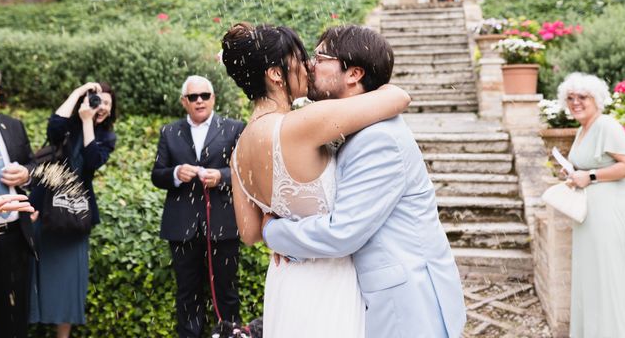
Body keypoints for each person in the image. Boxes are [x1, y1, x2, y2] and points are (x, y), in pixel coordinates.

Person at [262, 25, 466, 338]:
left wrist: (274, 231)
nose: (309, 65)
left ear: (354, 74)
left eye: (320, 57)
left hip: (406, 304)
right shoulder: (359, 128)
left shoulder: (378, 139)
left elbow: (343, 232)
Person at [222, 23, 413, 338]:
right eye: (298, 58)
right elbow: (397, 97)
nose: (308, 65)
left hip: (285, 282)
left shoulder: (238, 149)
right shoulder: (301, 124)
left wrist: (275, 218)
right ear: (275, 74)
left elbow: (250, 233)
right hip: (329, 279)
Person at [151, 76, 245, 338]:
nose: (199, 100)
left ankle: (231, 334)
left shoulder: (235, 128)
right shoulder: (169, 132)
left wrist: (222, 177)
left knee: (226, 291)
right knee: (187, 293)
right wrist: (175, 173)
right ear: (184, 102)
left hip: (223, 224)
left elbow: (246, 171)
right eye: (193, 97)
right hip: (182, 227)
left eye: (204, 95)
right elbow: (157, 175)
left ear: (213, 98)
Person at [29, 82, 117, 338]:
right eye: (97, 100)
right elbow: (53, 126)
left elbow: (91, 161)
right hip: (44, 209)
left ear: (111, 112)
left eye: (107, 104)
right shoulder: (67, 126)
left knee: (68, 282)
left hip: (76, 216)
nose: (100, 107)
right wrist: (80, 92)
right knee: (34, 278)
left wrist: (89, 122)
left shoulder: (106, 137)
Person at [557, 73, 625, 337]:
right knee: (591, 279)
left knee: (608, 278)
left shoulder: (606, 125)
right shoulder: (582, 129)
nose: (576, 102)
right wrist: (573, 175)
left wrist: (591, 176)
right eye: (570, 98)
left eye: (582, 97)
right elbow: (587, 167)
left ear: (596, 99)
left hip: (608, 215)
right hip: (588, 216)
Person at [0, 61, 37, 338]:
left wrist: (26, 175)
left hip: (14, 238)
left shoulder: (12, 125)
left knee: (13, 322)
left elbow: (32, 164)